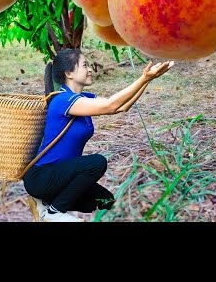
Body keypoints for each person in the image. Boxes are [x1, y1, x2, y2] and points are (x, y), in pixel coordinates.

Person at [23, 48, 174, 222]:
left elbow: (121, 107)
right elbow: (110, 105)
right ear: (69, 73)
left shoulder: (83, 98)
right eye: (84, 65)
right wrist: (144, 78)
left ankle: (45, 202)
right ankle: (53, 213)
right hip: (42, 177)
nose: (90, 69)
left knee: (104, 200)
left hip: (60, 176)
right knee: (97, 163)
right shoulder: (63, 100)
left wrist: (148, 80)